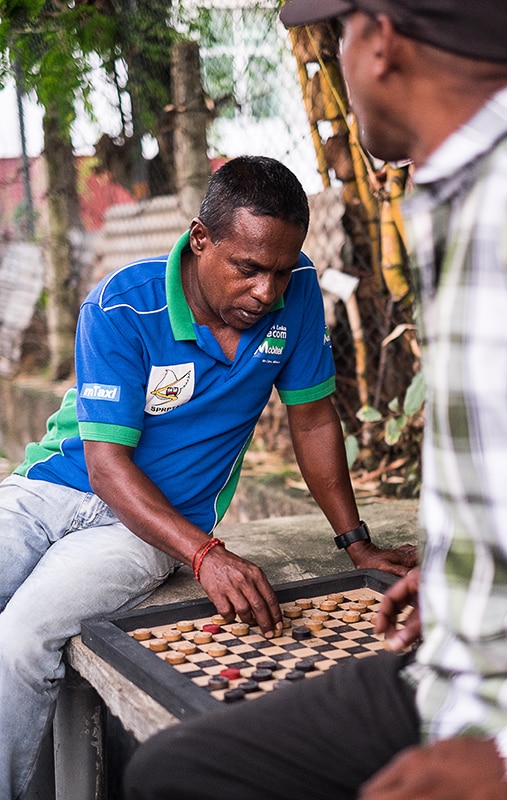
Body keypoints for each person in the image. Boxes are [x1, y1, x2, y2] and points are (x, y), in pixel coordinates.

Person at [122, 2, 507, 799]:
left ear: (379, 40)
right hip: (464, 657)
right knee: (176, 772)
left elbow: (312, 414)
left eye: (338, 34)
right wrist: (467, 571)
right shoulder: (465, 192)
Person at [0, 154, 416, 800]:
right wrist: (208, 555)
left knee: (21, 642)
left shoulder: (296, 293)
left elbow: (310, 421)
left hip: (150, 528)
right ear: (200, 240)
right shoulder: (120, 306)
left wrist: (354, 541)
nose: (266, 292)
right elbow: (106, 467)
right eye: (247, 268)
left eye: (280, 270)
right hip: (51, 488)